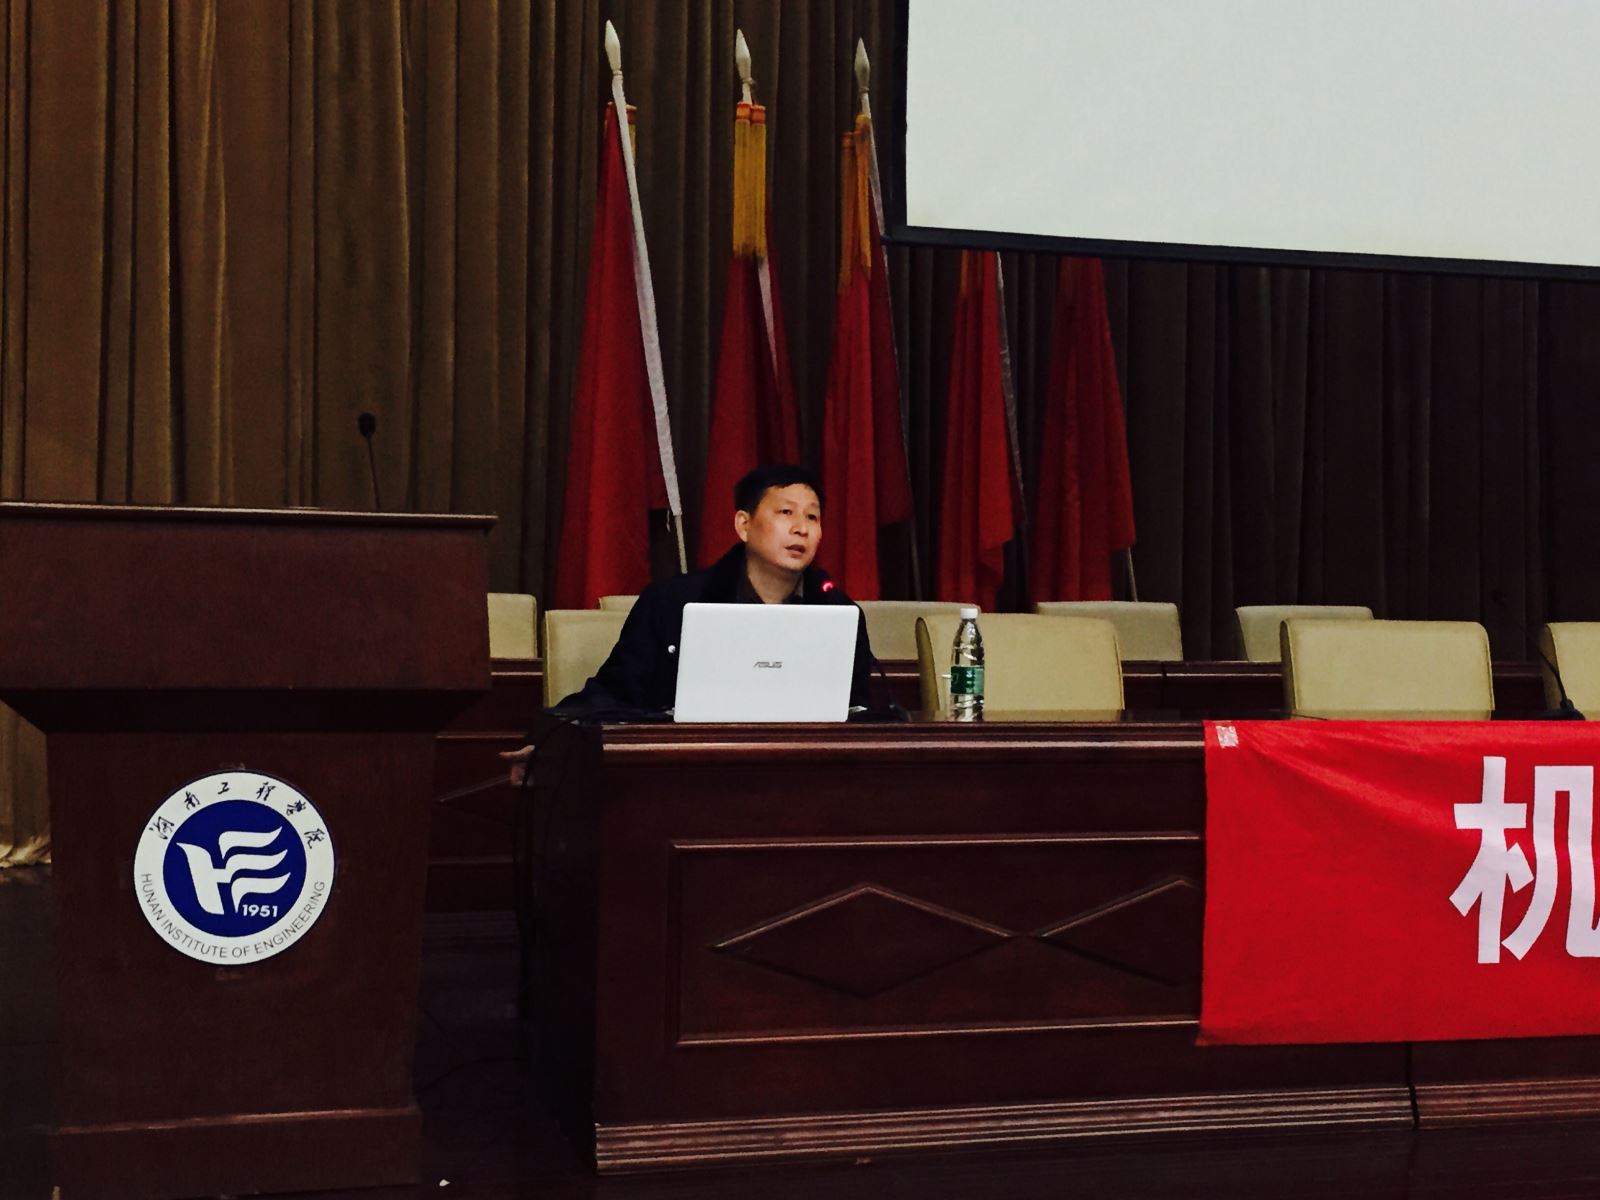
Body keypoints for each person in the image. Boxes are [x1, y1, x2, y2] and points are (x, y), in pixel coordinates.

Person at [504, 464, 880, 780]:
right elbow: (615, 693)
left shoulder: (838, 611)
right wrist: (548, 745)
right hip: (687, 775)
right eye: (786, 513)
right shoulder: (672, 603)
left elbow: (860, 715)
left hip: (803, 777)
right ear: (743, 524)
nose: (802, 528)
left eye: (812, 517)